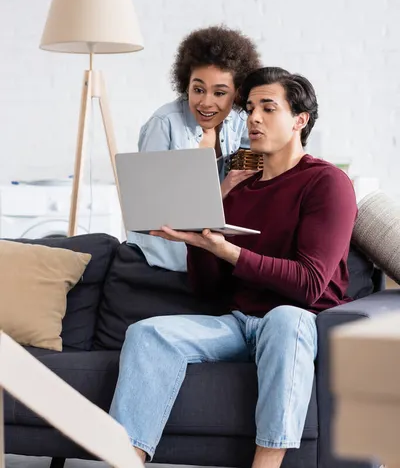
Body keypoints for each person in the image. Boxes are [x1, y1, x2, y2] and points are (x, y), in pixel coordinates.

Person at [110, 67, 357, 468]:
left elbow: (310, 285)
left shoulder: (326, 183)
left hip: (297, 323)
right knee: (148, 332)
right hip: (238, 323)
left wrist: (226, 251)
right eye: (249, 108)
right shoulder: (239, 189)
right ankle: (122, 460)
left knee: (285, 319)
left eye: (267, 107)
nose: (253, 117)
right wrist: (197, 243)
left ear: (299, 120)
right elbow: (208, 292)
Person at [127, 25, 262, 272]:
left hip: (211, 248)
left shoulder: (241, 121)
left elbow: (247, 181)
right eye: (198, 89)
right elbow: (148, 210)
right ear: (185, 84)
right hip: (165, 254)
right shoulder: (164, 124)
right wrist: (221, 191)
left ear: (237, 95)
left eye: (220, 93)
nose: (206, 102)